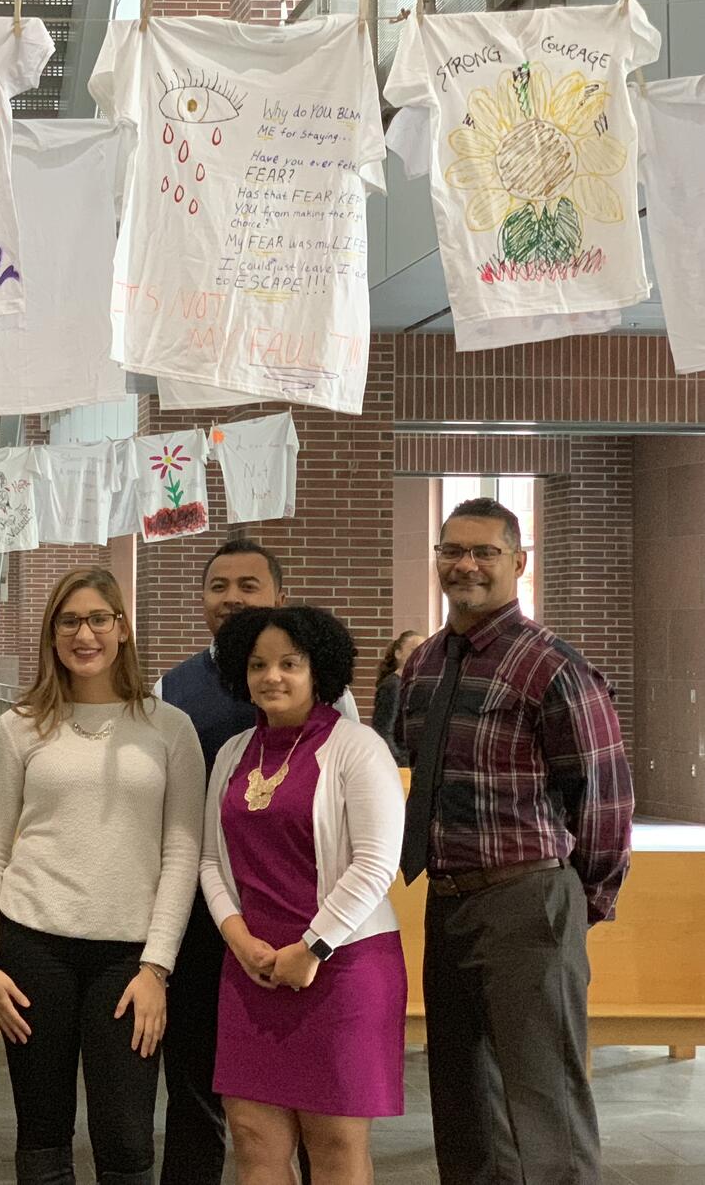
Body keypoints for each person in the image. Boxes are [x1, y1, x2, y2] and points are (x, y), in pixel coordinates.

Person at [397, 497, 632, 1183]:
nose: (465, 563)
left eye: (485, 552)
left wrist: (572, 900)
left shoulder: (552, 665)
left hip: (527, 898)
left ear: (518, 563)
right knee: (464, 1106)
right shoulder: (424, 666)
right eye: (452, 549)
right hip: (448, 900)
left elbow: (604, 796)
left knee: (544, 1104)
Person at [0, 567, 205, 1185]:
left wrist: (158, 967)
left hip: (129, 960)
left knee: (126, 1136)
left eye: (99, 618)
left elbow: (183, 852)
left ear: (122, 629)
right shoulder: (19, 724)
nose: (85, 633)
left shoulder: (168, 726)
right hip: (32, 945)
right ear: (52, 634)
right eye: (69, 620)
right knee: (42, 1132)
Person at [152, 540, 357, 1185]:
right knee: (198, 1082)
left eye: (249, 585)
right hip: (205, 914)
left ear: (278, 598)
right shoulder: (172, 688)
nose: (232, 598)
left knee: (295, 1094)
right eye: (219, 586)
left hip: (302, 923)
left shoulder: (330, 694)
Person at [201, 605, 407, 1185]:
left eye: (290, 664)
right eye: (259, 664)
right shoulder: (233, 753)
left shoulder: (357, 747)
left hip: (342, 969)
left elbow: (375, 863)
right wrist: (238, 938)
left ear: (319, 671)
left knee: (336, 1144)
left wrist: (312, 948)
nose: (273, 677)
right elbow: (211, 860)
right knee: (252, 1139)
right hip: (253, 967)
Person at [370, 630, 421, 766]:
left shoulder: (411, 683)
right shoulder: (393, 685)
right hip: (400, 762)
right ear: (398, 653)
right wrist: (399, 761)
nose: (420, 656)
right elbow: (383, 729)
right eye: (414, 650)